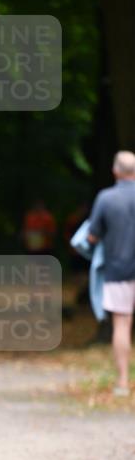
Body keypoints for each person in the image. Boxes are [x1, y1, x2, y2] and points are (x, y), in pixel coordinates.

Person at [87, 150, 135, 396]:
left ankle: (123, 382)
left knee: (122, 324)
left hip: (118, 270)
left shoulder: (106, 198)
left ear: (115, 171)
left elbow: (91, 236)